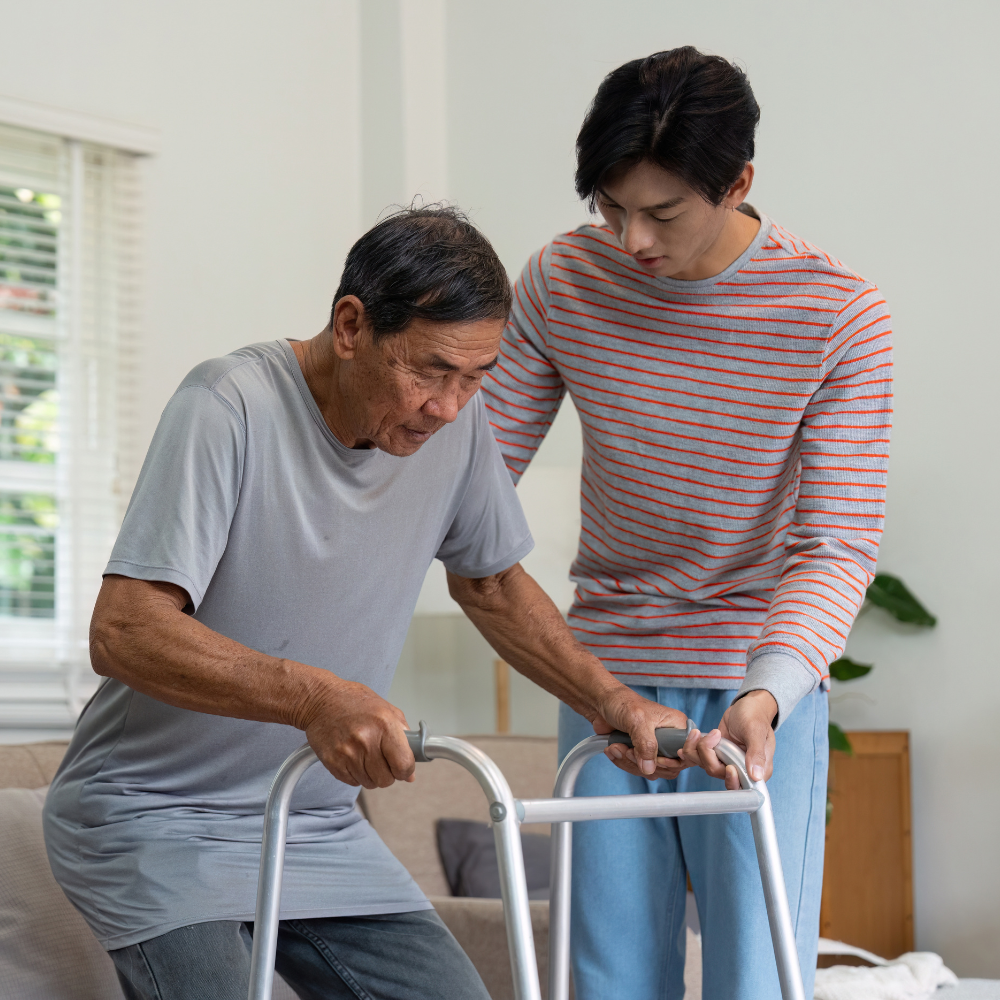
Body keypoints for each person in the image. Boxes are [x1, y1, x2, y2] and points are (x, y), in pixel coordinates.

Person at [43, 207, 686, 1000]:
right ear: (351, 326)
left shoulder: (455, 427)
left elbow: (489, 582)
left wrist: (612, 698)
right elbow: (125, 630)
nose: (448, 406)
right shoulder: (228, 405)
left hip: (316, 826)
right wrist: (315, 696)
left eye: (475, 376)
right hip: (155, 818)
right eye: (431, 370)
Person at [482, 47, 892, 1000]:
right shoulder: (563, 281)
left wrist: (773, 691)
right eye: (611, 208)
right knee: (607, 976)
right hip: (603, 674)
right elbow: (475, 479)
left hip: (754, 687)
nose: (631, 241)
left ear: (738, 181)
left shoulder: (837, 314)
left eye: (661, 213)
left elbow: (835, 545)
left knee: (758, 976)